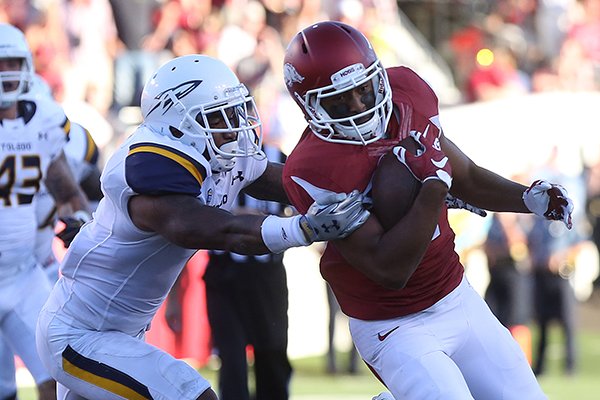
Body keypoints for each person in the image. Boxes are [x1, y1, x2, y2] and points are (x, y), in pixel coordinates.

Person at [35, 54, 370, 400]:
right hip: (80, 334)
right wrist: (302, 230)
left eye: (235, 111)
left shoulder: (213, 151)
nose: (234, 125)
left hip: (121, 332)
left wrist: (347, 190)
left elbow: (278, 180)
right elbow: (214, 230)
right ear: (179, 120)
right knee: (192, 394)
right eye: (220, 115)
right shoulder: (148, 165)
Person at [281, 21, 574, 400]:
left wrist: (526, 198)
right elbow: (390, 270)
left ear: (379, 77)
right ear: (309, 105)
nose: (358, 108)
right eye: (339, 101)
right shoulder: (312, 168)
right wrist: (434, 188)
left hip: (455, 296)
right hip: (393, 324)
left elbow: (464, 173)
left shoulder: (409, 93)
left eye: (364, 90)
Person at [0, 23, 91, 400]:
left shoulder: (42, 119)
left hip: (23, 273)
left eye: (13, 62)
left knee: (58, 375)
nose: (7, 72)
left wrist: (78, 221)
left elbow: (67, 190)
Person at [167, 142, 292, 400]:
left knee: (272, 352)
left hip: (266, 274)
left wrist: (265, 221)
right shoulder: (204, 161)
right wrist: (174, 298)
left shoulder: (276, 157)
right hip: (223, 274)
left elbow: (303, 209)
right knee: (231, 356)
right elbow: (182, 231)